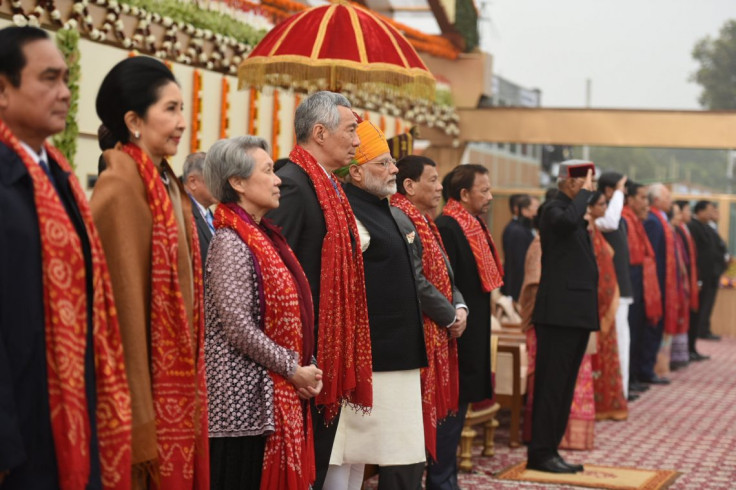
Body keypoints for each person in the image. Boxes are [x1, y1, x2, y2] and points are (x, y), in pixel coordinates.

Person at [0, 25, 131, 489]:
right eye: (48, 79)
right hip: (20, 433)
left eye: (66, 79)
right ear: (3, 89)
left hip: (72, 411)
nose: (64, 93)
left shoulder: (58, 178)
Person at [91, 56, 209, 489]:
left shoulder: (167, 185)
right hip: (138, 384)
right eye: (170, 109)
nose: (182, 121)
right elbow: (117, 305)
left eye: (183, 108)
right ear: (134, 120)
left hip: (176, 381)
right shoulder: (121, 185)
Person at [202, 136, 322, 489]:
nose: (278, 179)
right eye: (268, 170)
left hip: (265, 396)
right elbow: (238, 327)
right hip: (240, 408)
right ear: (237, 183)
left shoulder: (262, 237)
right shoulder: (230, 242)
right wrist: (292, 369)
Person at [267, 91, 371, 489]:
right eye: (351, 130)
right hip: (301, 353)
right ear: (320, 132)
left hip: (326, 348)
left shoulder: (330, 188)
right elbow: (279, 272)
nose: (358, 142)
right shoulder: (293, 184)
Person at [326, 120, 427, 489]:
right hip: (368, 355)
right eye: (383, 163)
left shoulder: (384, 209)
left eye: (392, 162)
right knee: (347, 449)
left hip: (394, 352)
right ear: (355, 171)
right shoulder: (347, 212)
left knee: (368, 453)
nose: (394, 170)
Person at [389, 155, 468, 489]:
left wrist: (460, 307)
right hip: (415, 338)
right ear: (409, 185)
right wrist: (450, 315)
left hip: (438, 329)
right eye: (433, 180)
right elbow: (416, 280)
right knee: (407, 432)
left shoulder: (426, 222)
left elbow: (448, 278)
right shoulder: (399, 218)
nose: (439, 187)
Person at [435, 164, 504, 485]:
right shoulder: (448, 226)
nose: (489, 196)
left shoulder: (472, 225)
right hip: (455, 335)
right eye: (484, 190)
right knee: (449, 412)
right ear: (464, 194)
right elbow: (445, 283)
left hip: (472, 332)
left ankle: (447, 478)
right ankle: (442, 480)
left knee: (459, 411)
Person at [527, 160, 596, 474]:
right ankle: (541, 453)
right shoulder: (553, 209)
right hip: (558, 316)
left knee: (563, 386)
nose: (589, 190)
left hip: (573, 315)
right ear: (570, 183)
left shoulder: (573, 212)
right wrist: (583, 198)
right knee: (552, 387)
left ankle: (550, 449)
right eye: (585, 183)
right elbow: (566, 223)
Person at [588, 191, 628, 419]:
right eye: (601, 204)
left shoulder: (596, 231)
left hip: (605, 301)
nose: (604, 208)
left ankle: (607, 403)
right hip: (595, 303)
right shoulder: (587, 232)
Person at [595, 171, 633, 400]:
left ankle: (622, 391)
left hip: (620, 287)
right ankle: (616, 392)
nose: (624, 193)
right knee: (616, 342)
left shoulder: (614, 214)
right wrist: (617, 192)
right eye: (621, 188)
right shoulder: (601, 217)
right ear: (609, 191)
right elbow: (609, 221)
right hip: (608, 291)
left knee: (623, 342)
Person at [622, 181, 660, 393]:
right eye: (643, 198)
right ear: (629, 199)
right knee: (631, 333)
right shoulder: (625, 221)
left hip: (639, 283)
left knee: (636, 332)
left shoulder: (637, 221)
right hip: (630, 284)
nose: (647, 203)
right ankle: (628, 380)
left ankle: (633, 376)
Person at [642, 183, 676, 385]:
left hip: (664, 282)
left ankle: (649, 368)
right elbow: (652, 257)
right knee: (651, 328)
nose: (671, 202)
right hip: (656, 283)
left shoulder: (661, 220)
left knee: (656, 327)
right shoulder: (654, 222)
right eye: (667, 198)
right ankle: (646, 369)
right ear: (656, 201)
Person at [689, 201, 728, 344]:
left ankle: (704, 329)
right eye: (710, 210)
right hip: (702, 273)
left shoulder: (707, 227)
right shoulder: (694, 226)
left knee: (707, 303)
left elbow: (719, 246)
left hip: (712, 272)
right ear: (699, 211)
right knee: (702, 303)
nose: (712, 213)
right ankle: (701, 330)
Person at [674, 201, 704, 362]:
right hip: (680, 280)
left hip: (690, 278)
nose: (686, 214)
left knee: (692, 315)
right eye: (683, 211)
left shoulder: (685, 229)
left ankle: (690, 348)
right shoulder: (678, 230)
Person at [668, 202, 692, 370]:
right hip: (670, 283)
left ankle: (679, 356)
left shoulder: (677, 233)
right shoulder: (666, 230)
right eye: (675, 213)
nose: (679, 217)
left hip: (679, 281)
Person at [182, 151, 217, 264]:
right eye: (214, 180)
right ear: (193, 182)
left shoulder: (209, 214)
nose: (219, 186)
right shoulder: (183, 213)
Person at [501, 193, 536, 302]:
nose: (537, 212)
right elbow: (518, 264)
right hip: (517, 290)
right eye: (535, 208)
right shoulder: (517, 231)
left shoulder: (522, 228)